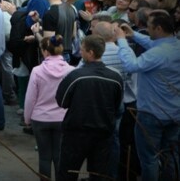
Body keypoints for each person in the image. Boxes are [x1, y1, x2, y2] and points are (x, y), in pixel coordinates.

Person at [115, 10, 180, 181]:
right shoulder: (174, 46)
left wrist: (122, 40)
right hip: (174, 113)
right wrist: (134, 35)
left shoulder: (158, 54)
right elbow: (155, 45)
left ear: (158, 28)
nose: (147, 31)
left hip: (151, 114)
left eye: (149, 27)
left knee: (149, 159)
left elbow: (131, 65)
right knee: (170, 157)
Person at [55, 35, 124, 181]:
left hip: (76, 133)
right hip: (103, 133)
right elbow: (117, 107)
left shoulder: (76, 75)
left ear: (90, 52)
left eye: (82, 50)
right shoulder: (115, 77)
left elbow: (61, 101)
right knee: (99, 174)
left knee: (67, 173)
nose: (80, 53)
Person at [24, 35, 75, 180]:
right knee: (59, 155)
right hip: (63, 118)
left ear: (45, 51)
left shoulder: (37, 71)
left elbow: (30, 98)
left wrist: (27, 118)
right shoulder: (71, 70)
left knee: (44, 157)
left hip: (40, 118)